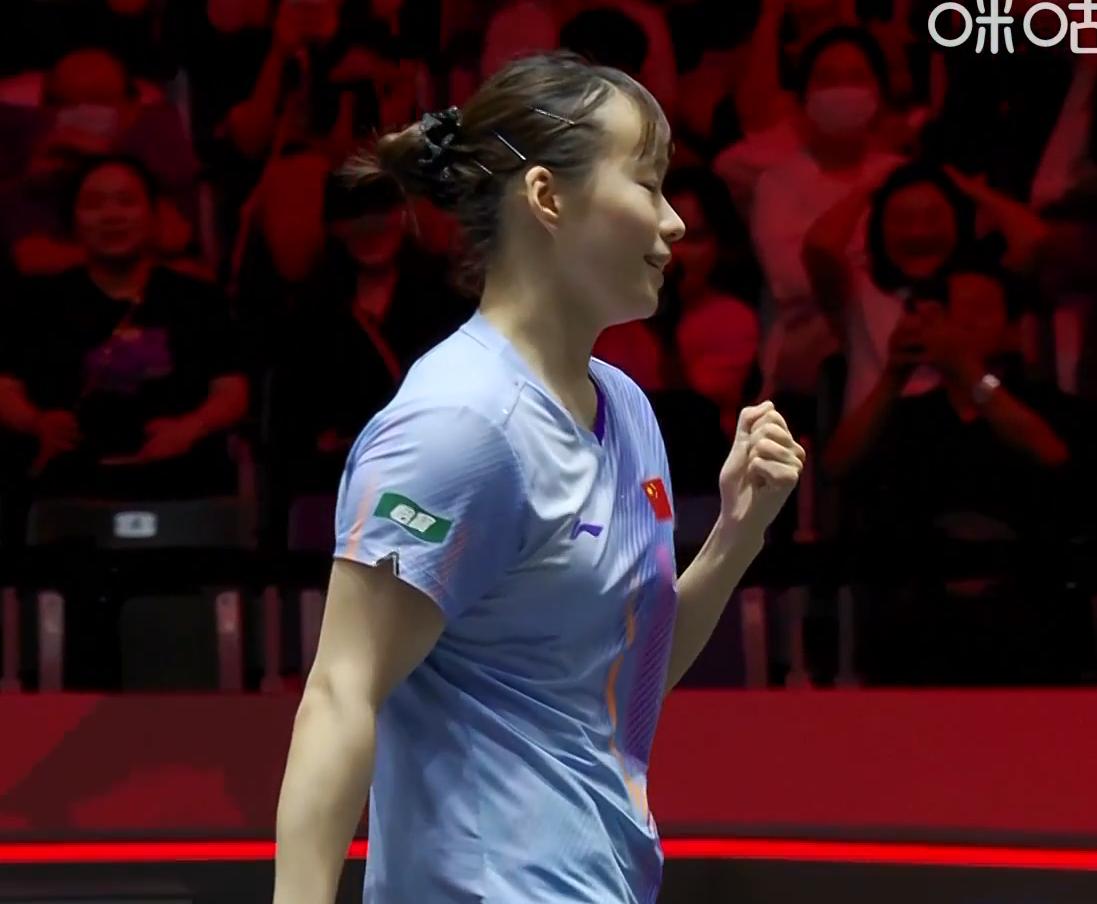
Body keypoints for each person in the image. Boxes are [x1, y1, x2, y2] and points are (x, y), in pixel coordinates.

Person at [273, 50, 805, 904]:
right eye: (647, 184)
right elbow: (340, 692)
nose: (674, 222)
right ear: (548, 197)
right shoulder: (457, 423)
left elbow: (617, 682)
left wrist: (736, 535)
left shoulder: (624, 406)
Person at [823, 267, 1093, 683]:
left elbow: (1052, 454)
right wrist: (892, 377)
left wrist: (970, 374)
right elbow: (837, 465)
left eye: (978, 312)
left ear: (1013, 332)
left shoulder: (1053, 409)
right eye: (948, 313)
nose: (960, 325)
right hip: (919, 614)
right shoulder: (908, 417)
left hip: (1029, 611)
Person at [0, 155, 248, 502]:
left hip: (181, 483)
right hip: (71, 489)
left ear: (153, 215)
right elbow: (6, 387)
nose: (111, 215)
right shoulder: (37, 302)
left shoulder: (198, 299)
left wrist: (190, 428)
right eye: (94, 204)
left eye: (126, 201)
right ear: (73, 221)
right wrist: (36, 422)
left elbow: (232, 390)